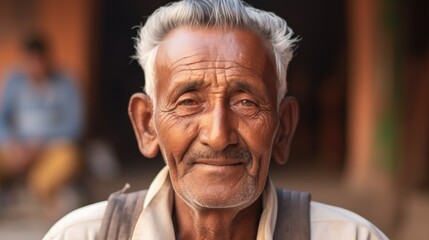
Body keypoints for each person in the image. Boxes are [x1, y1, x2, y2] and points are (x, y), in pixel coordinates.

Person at [44, 0, 389, 239]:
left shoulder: (352, 237)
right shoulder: (79, 236)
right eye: (189, 102)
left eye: (245, 102)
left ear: (283, 127)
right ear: (147, 124)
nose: (218, 135)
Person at [0, 34, 83, 218]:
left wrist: (40, 143)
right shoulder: (14, 81)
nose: (36, 68)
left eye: (39, 62)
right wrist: (12, 143)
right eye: (30, 63)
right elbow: (2, 118)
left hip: (51, 147)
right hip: (17, 147)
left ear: (48, 59)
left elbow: (74, 125)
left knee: (69, 157)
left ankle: (33, 192)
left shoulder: (66, 82)